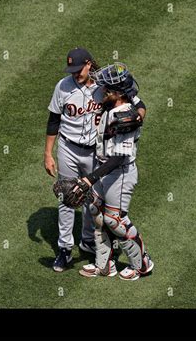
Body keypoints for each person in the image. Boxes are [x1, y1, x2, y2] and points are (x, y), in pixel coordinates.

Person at [44, 49, 147, 273]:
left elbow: (137, 103)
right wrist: (48, 154)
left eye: (78, 69)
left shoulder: (107, 84)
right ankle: (65, 249)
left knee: (95, 205)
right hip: (68, 148)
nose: (75, 74)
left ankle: (91, 243)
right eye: (71, 70)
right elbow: (53, 119)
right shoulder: (63, 87)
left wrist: (138, 117)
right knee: (68, 196)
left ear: (89, 64)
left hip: (97, 153)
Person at [76, 63, 154, 281]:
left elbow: (119, 157)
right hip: (105, 170)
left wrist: (89, 179)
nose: (99, 91)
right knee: (95, 209)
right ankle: (104, 265)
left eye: (104, 89)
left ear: (116, 94)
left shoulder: (124, 119)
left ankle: (142, 263)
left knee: (115, 220)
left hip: (119, 173)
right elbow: (139, 102)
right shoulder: (122, 104)